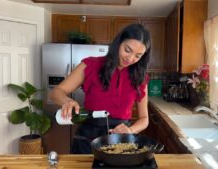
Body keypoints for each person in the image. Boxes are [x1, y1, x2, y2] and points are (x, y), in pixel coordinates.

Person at [49, 23, 151, 154]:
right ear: (118, 43)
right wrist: (66, 101)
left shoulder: (140, 78)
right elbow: (56, 92)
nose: (130, 59)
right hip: (87, 140)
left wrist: (130, 130)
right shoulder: (91, 65)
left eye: (138, 56)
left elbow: (144, 119)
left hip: (121, 142)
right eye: (127, 50)